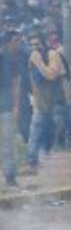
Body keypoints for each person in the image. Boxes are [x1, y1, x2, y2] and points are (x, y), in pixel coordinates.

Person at [25, 31, 71, 174]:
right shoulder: (32, 59)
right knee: (35, 131)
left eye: (37, 44)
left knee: (70, 133)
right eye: (31, 45)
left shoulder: (52, 54)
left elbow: (51, 74)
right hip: (43, 102)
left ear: (43, 43)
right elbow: (35, 83)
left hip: (59, 101)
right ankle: (31, 164)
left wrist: (38, 61)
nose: (35, 48)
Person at [0, 31, 22, 187]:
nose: (18, 44)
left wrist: (16, 106)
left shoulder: (10, 60)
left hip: (6, 105)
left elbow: (16, 84)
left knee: (8, 141)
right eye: (16, 41)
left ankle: (10, 175)